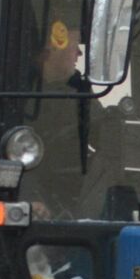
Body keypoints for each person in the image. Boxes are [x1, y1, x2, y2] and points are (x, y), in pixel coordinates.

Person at [18, 17, 104, 218]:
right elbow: (6, 154)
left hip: (74, 194)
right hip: (30, 202)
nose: (79, 53)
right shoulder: (12, 91)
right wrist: (29, 198)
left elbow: (101, 135)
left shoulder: (78, 90)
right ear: (53, 47)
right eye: (75, 45)